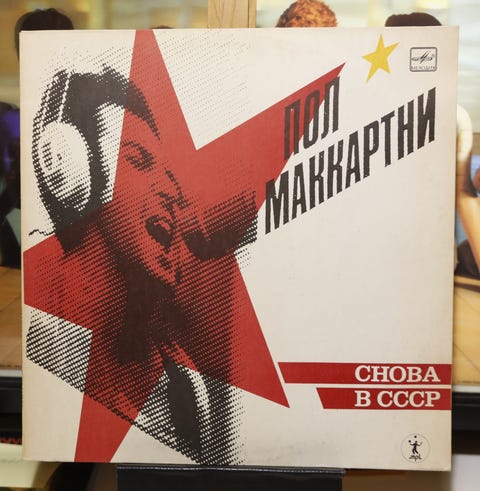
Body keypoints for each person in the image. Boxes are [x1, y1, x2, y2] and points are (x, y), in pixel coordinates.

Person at [25, 64, 246, 464]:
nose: (173, 192)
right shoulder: (41, 350)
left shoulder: (184, 380)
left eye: (167, 173)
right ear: (74, 177)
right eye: (139, 160)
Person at [385, 12, 479, 278]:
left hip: (429, 261)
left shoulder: (454, 116)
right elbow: (465, 196)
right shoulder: (454, 115)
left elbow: (464, 196)